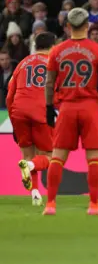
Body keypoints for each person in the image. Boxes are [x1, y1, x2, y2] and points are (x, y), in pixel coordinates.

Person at [43, 8, 98, 216]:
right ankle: (94, 205)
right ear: (87, 25)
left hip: (67, 107)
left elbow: (50, 82)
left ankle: (50, 204)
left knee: (58, 156)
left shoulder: (56, 51)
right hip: (90, 107)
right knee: (94, 158)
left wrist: (48, 106)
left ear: (68, 27)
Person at [7, 32, 56, 206]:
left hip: (18, 111)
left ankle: (35, 194)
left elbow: (9, 95)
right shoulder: (53, 64)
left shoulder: (22, 63)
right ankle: (31, 167)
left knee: (28, 156)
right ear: (53, 46)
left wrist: (14, 123)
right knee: (48, 157)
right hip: (40, 112)